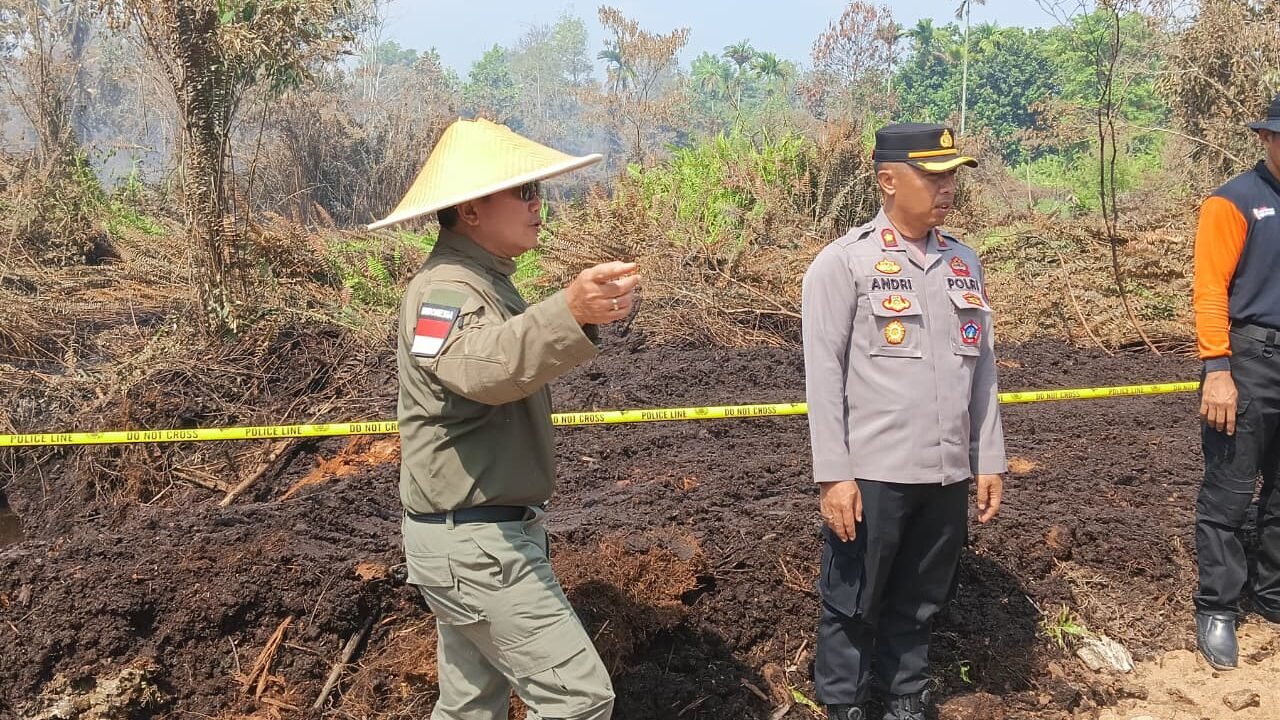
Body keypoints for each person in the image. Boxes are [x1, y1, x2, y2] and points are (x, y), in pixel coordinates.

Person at [368, 118, 639, 720]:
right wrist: (568, 311)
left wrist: (569, 316)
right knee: (578, 700)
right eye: (523, 192)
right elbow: (479, 370)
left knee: (471, 707)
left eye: (537, 189)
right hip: (476, 546)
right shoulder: (444, 291)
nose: (539, 203)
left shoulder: (481, 284)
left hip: (475, 538)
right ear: (469, 209)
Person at [801, 123, 1007, 720]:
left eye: (952, 176)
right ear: (889, 180)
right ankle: (844, 704)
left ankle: (905, 699)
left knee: (920, 600)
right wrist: (833, 476)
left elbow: (983, 371)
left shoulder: (964, 262)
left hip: (943, 474)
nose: (947, 188)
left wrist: (986, 457)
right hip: (873, 475)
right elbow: (823, 378)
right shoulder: (844, 264)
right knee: (853, 602)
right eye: (933, 175)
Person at [1192, 93, 1280, 671]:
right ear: (1269, 140)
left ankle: (1273, 594)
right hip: (1250, 358)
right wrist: (1217, 368)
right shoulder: (1232, 202)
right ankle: (1218, 606)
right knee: (1230, 486)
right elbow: (1209, 289)